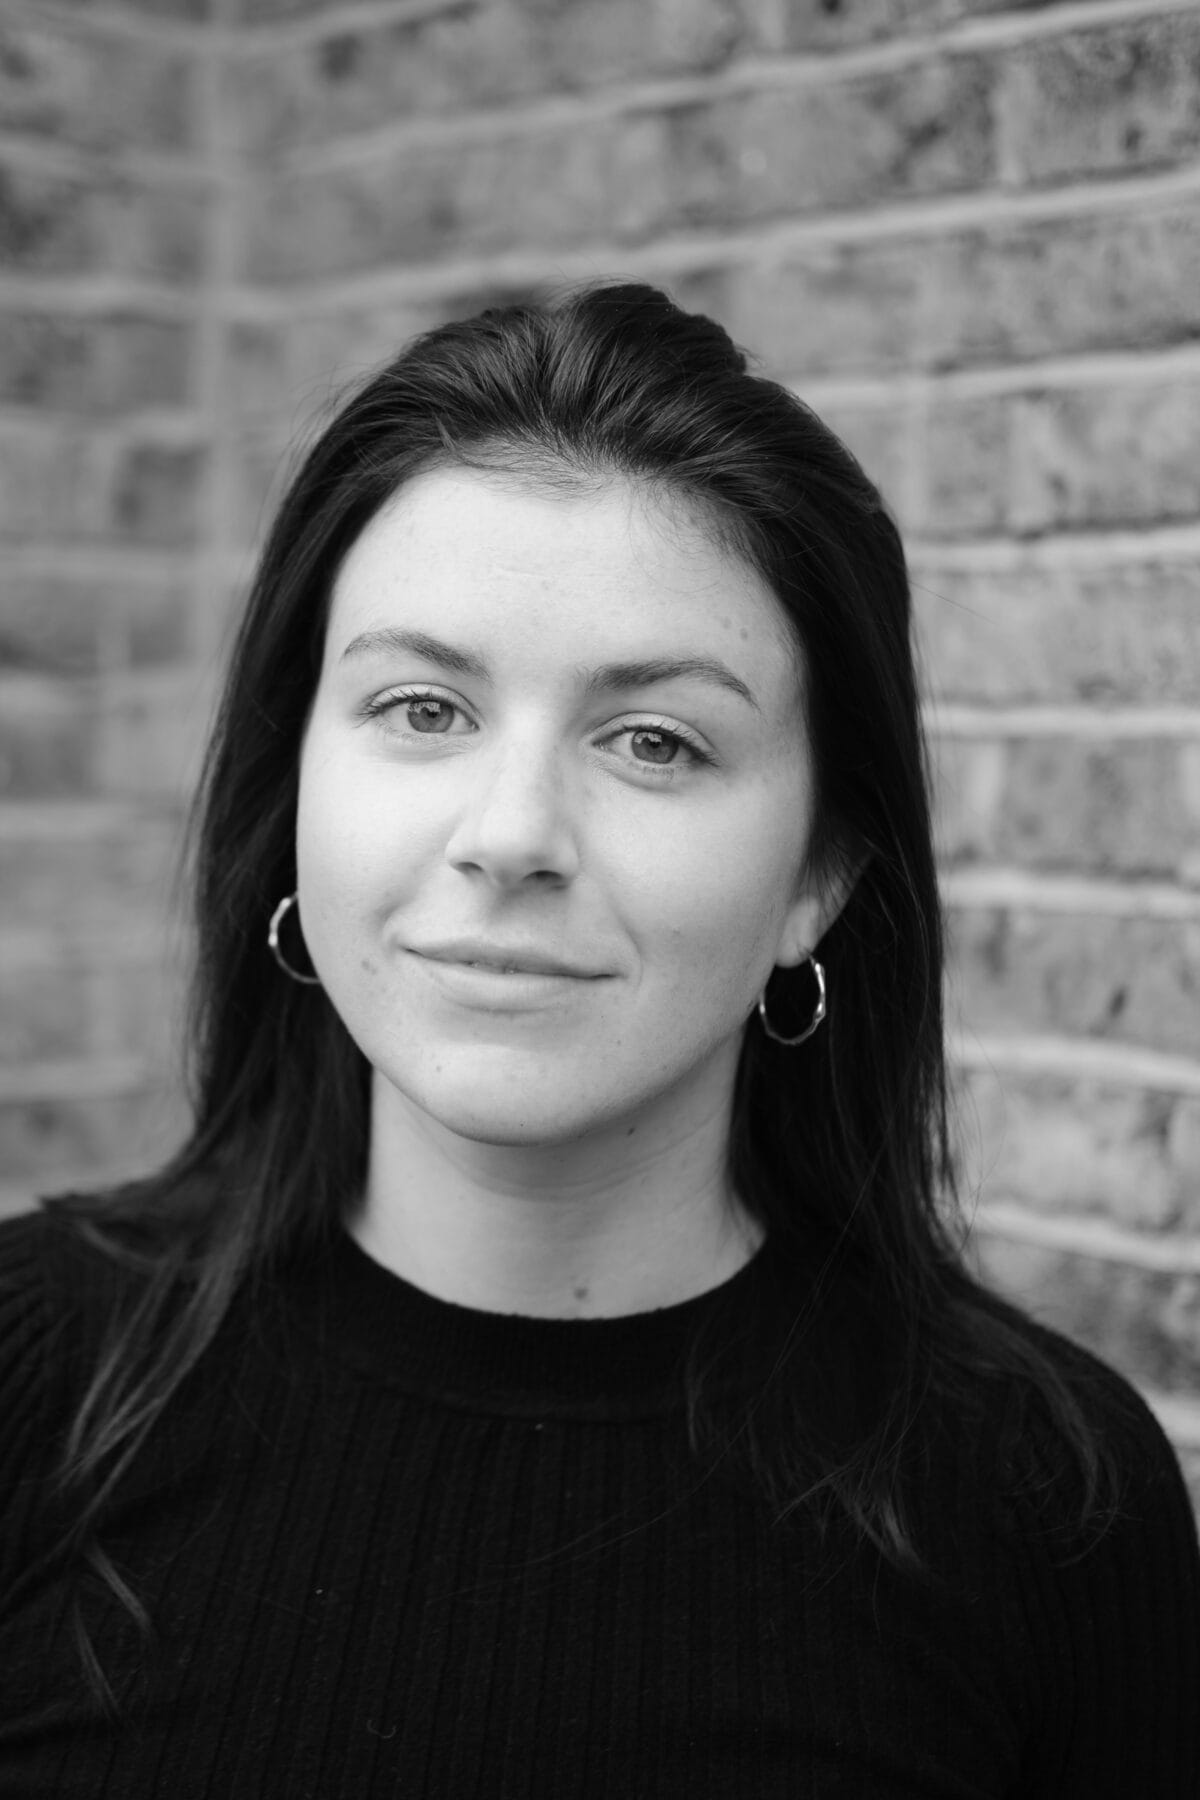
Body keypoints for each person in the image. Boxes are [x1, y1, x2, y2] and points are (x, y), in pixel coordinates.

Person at [1, 283, 1196, 1798]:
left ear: (818, 875)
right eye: (423, 707)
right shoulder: (31, 1379)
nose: (510, 837)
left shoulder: (1044, 1501)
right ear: (291, 790)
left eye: (655, 742)